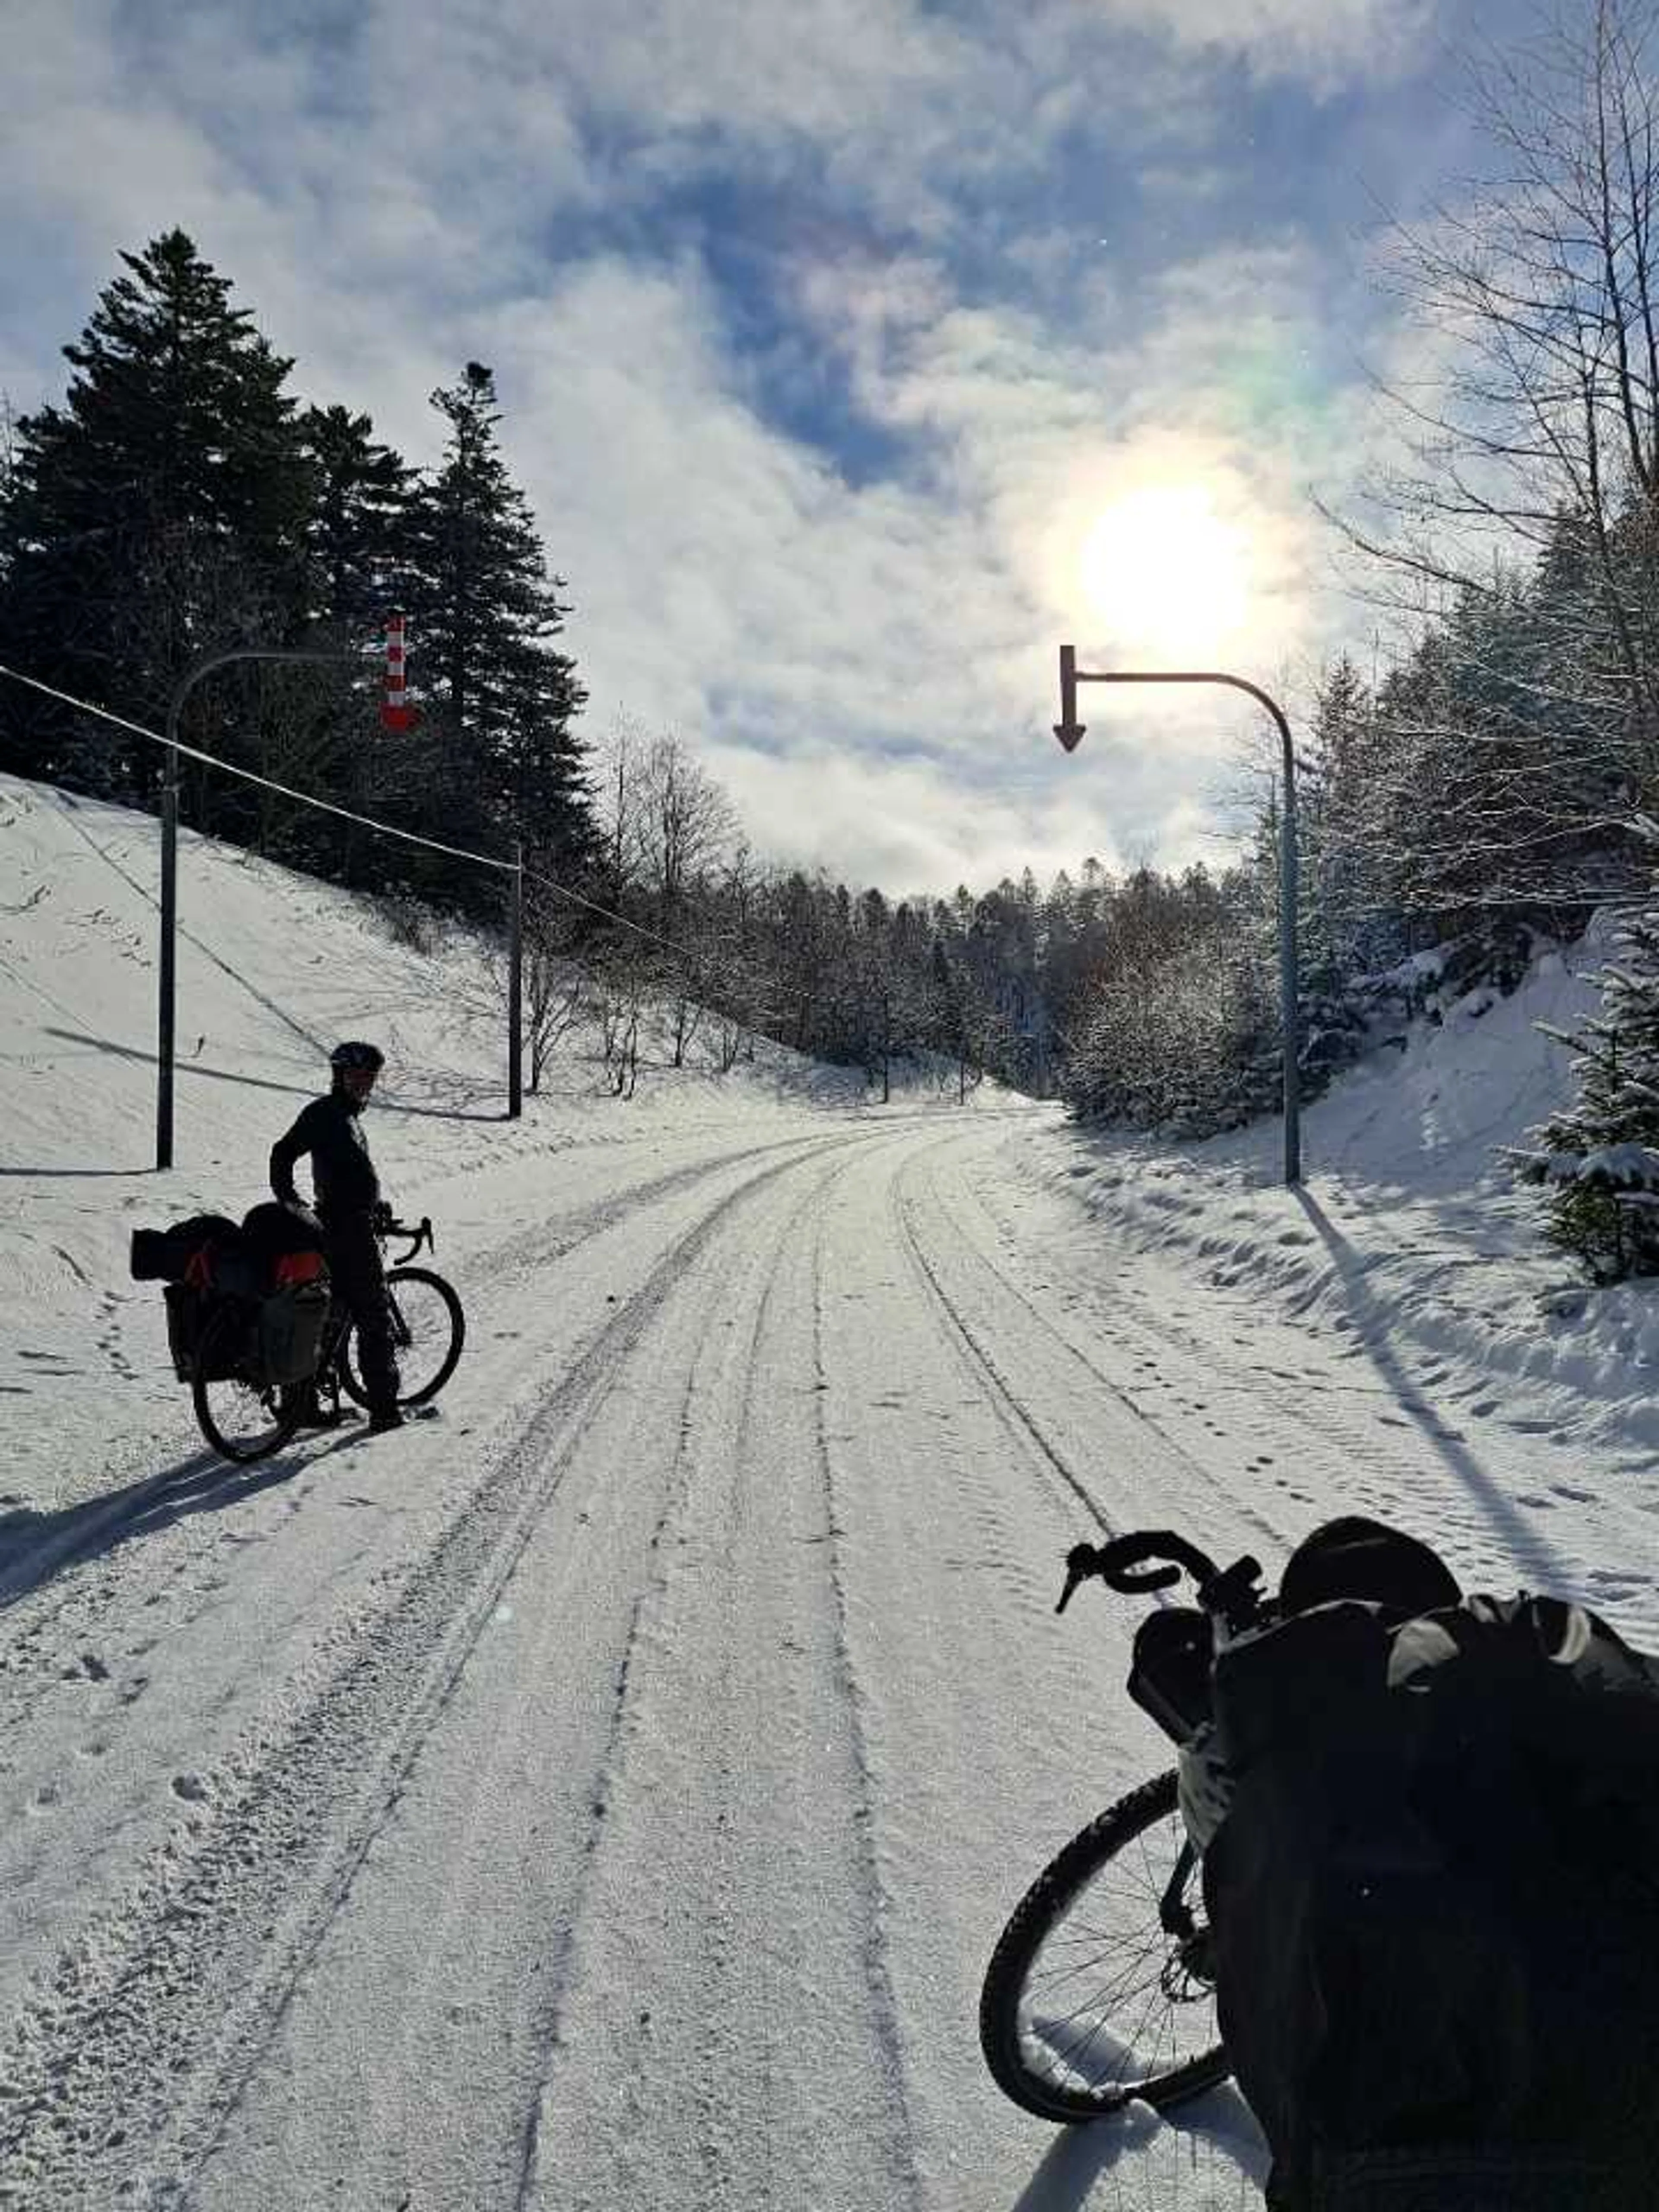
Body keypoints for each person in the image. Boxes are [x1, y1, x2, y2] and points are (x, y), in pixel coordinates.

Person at [269, 1040, 402, 1433]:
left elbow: (345, 1174)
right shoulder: (325, 1114)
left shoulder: (345, 1118)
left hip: (345, 1223)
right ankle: (385, 1411)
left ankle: (303, 1406)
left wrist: (372, 1204)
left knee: (327, 1318)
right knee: (374, 1317)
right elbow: (283, 1154)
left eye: (369, 1077)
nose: (364, 1084)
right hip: (346, 1230)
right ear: (338, 1076)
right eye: (356, 1076)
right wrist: (292, 1203)